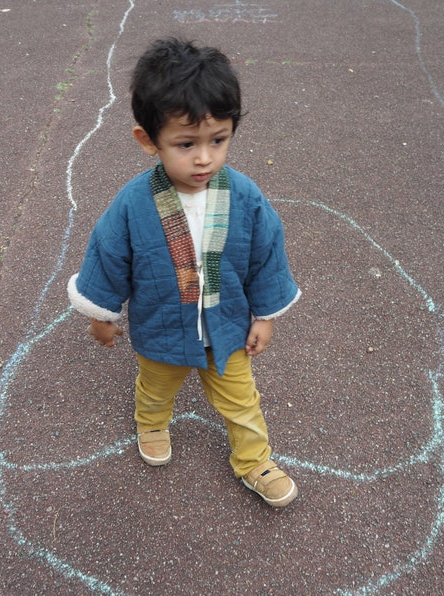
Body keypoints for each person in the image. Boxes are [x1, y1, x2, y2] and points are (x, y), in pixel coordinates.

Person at [68, 37, 301, 507]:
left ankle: (254, 459)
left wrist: (265, 315)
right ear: (147, 140)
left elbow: (265, 256)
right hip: (162, 326)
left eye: (218, 140)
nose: (204, 158)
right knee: (157, 387)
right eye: (185, 143)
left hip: (227, 324)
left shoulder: (246, 197)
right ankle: (151, 422)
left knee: (242, 401)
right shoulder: (133, 204)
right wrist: (100, 313)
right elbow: (109, 255)